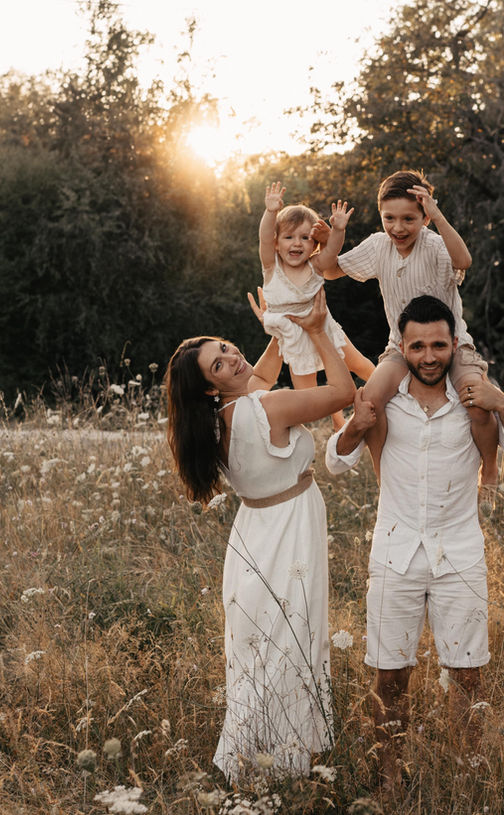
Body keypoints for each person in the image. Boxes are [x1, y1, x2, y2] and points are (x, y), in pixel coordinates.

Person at [325, 294, 504, 790]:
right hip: (395, 552)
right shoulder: (386, 399)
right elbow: (337, 462)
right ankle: (389, 778)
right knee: (389, 674)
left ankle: (466, 777)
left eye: (439, 345)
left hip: (460, 553)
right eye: (418, 346)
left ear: (454, 345)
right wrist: (355, 427)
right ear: (402, 348)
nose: (429, 356)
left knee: (467, 674)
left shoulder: (475, 399)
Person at [164, 290, 355, 783]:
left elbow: (261, 378)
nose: (232, 356)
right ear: (211, 387)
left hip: (253, 535)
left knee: (260, 652)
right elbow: (341, 394)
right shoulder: (268, 408)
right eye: (220, 364)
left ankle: (257, 759)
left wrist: (279, 329)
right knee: (289, 644)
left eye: (226, 346)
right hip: (288, 530)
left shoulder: (215, 421)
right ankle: (282, 766)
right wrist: (313, 331)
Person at [313, 170, 503, 492]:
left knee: (476, 401)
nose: (398, 228)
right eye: (389, 218)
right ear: (380, 216)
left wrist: (438, 215)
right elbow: (329, 270)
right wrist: (331, 238)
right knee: (371, 400)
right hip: (400, 347)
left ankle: (490, 468)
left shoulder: (435, 245)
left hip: (450, 345)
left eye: (409, 219)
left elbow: (465, 260)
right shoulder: (378, 245)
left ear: (424, 218)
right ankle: (385, 480)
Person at [258, 181, 375, 428]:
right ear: (277, 243)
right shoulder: (271, 267)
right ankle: (337, 420)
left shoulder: (316, 266)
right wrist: (270, 212)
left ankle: (388, 391)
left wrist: (338, 230)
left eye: (304, 238)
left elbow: (332, 251)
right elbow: (265, 237)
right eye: (289, 237)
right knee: (308, 395)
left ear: (313, 245)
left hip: (324, 328)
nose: (297, 243)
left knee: (357, 363)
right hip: (294, 337)